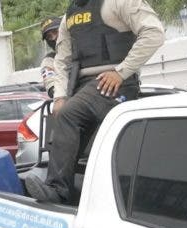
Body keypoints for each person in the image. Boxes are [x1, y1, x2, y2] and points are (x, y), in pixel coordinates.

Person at [25, 0, 165, 204]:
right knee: (63, 125)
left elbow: (154, 33)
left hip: (114, 84)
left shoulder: (118, 2)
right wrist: (60, 96)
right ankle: (78, 191)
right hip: (83, 86)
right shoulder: (69, 16)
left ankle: (57, 190)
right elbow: (61, 61)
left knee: (69, 115)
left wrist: (121, 72)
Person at [40, 17, 61, 98]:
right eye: (49, 36)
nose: (54, 38)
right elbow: (51, 88)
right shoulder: (49, 61)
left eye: (56, 32)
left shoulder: (80, 48)